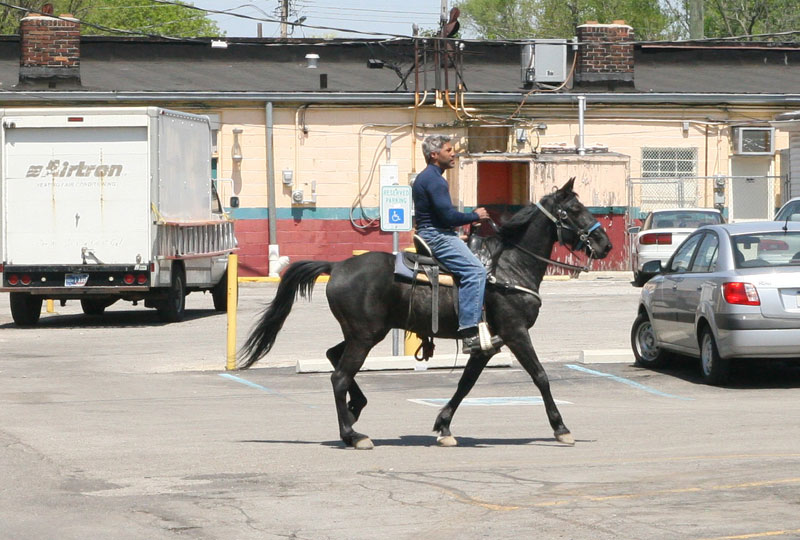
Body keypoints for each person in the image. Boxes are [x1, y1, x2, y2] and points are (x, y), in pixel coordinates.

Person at [412, 134, 497, 354]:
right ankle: (469, 333)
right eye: (448, 150)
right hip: (437, 236)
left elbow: (439, 217)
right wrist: (473, 215)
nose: (453, 154)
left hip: (435, 232)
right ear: (434, 155)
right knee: (475, 271)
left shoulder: (428, 177)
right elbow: (448, 216)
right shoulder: (434, 179)